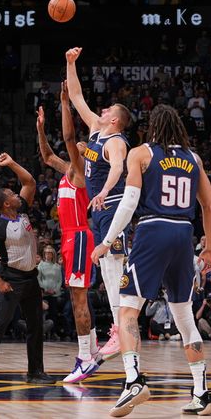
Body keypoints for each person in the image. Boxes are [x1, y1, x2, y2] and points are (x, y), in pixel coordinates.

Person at [91, 104, 211, 417]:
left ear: (153, 128)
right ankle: (202, 392)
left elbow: (131, 201)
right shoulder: (194, 158)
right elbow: (210, 208)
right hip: (184, 235)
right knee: (184, 317)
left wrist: (106, 242)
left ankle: (133, 380)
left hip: (153, 230)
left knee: (127, 310)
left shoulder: (141, 153)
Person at [66, 47, 132, 360]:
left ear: (115, 120)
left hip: (115, 204)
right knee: (107, 270)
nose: (101, 111)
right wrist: (71, 63)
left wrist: (104, 191)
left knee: (113, 266)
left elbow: (117, 169)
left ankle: (122, 330)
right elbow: (77, 97)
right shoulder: (96, 132)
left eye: (107, 110)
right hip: (103, 209)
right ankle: (121, 330)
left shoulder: (117, 140)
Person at [36, 85, 102, 383]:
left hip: (78, 235)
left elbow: (68, 138)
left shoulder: (80, 171)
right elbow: (48, 156)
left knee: (78, 299)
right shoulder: (68, 172)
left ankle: (85, 358)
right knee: (78, 298)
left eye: (84, 148)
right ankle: (91, 349)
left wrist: (64, 104)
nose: (79, 149)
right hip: (71, 237)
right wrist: (39, 128)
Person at [0, 153, 54, 386]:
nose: (18, 195)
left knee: (36, 327)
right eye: (12, 195)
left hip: (31, 279)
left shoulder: (23, 211)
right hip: (11, 281)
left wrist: (11, 164)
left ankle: (35, 372)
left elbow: (30, 183)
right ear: (6, 204)